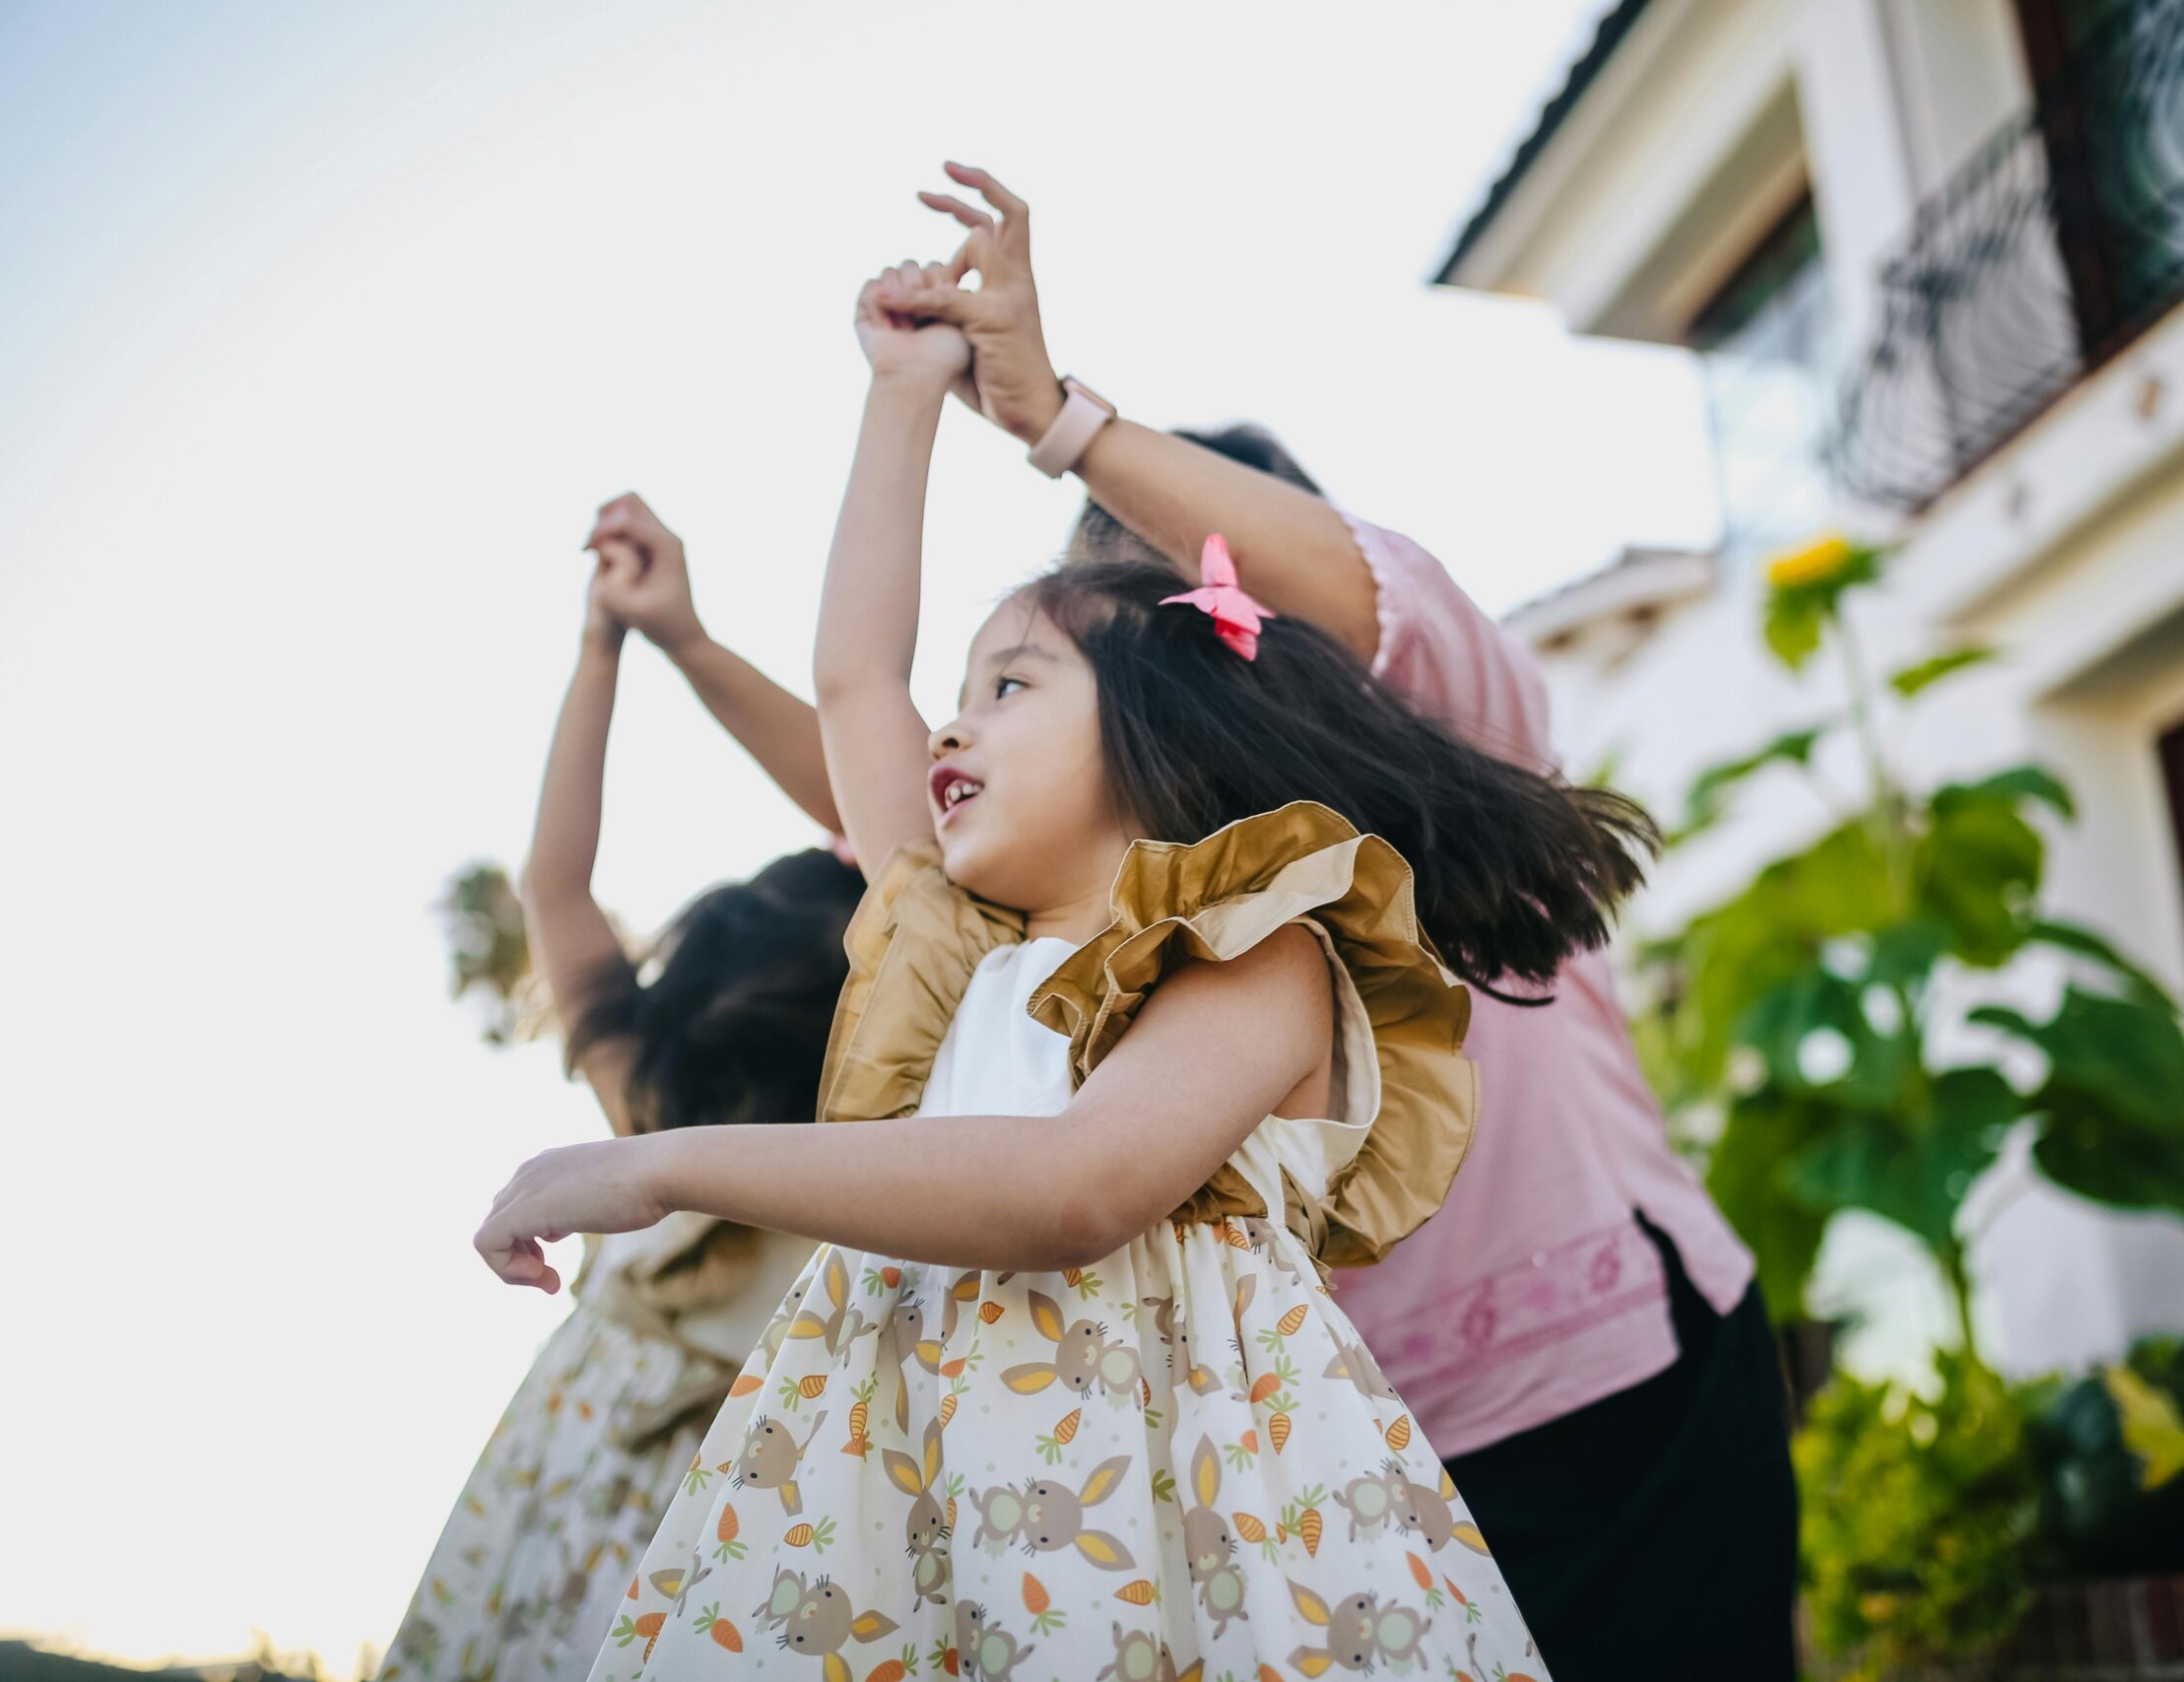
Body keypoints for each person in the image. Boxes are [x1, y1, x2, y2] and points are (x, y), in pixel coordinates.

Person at [470, 258, 1660, 1680]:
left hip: (1172, 1546)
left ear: (1169, 729)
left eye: (1010, 688)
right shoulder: (954, 948)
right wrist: (898, 394)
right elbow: (857, 675)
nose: (950, 730)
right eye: (960, 696)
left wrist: (663, 1163)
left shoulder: (1256, 954)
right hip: (919, 1517)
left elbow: (1071, 1186)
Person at [874, 164, 1800, 1675]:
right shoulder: (1137, 884)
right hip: (1366, 1470)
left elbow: (1357, 583)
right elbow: (890, 766)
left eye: (1204, 564)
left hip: (1629, 1393)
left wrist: (1061, 419)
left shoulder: (1451, 723)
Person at [380, 539, 863, 1682]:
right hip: (733, 1515)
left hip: (555, 1467)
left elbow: (553, 883)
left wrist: (605, 647)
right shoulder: (875, 1157)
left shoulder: (646, 1103)